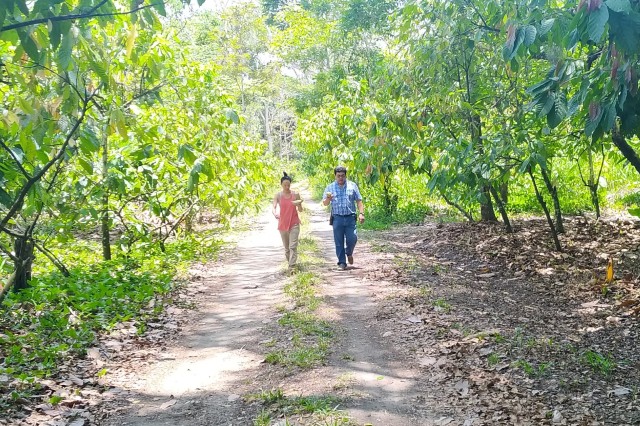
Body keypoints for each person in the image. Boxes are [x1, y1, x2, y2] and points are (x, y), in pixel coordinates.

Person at [322, 166, 364, 270]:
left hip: (350, 218)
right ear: (335, 176)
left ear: (345, 175)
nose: (340, 178)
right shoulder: (330, 188)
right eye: (338, 176)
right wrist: (328, 198)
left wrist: (361, 213)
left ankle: (348, 252)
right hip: (337, 218)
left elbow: (359, 200)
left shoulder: (352, 186)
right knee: (339, 241)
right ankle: (341, 262)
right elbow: (325, 203)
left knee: (352, 238)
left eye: (342, 176)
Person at [273, 172, 303, 272]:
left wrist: (298, 204)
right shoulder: (278, 195)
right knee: (286, 248)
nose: (287, 187)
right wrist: (275, 213)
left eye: (288, 185)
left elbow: (301, 210)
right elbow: (274, 207)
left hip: (294, 223)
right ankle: (290, 263)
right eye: (285, 185)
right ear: (281, 185)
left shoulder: (295, 194)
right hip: (282, 224)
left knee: (293, 246)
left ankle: (292, 267)